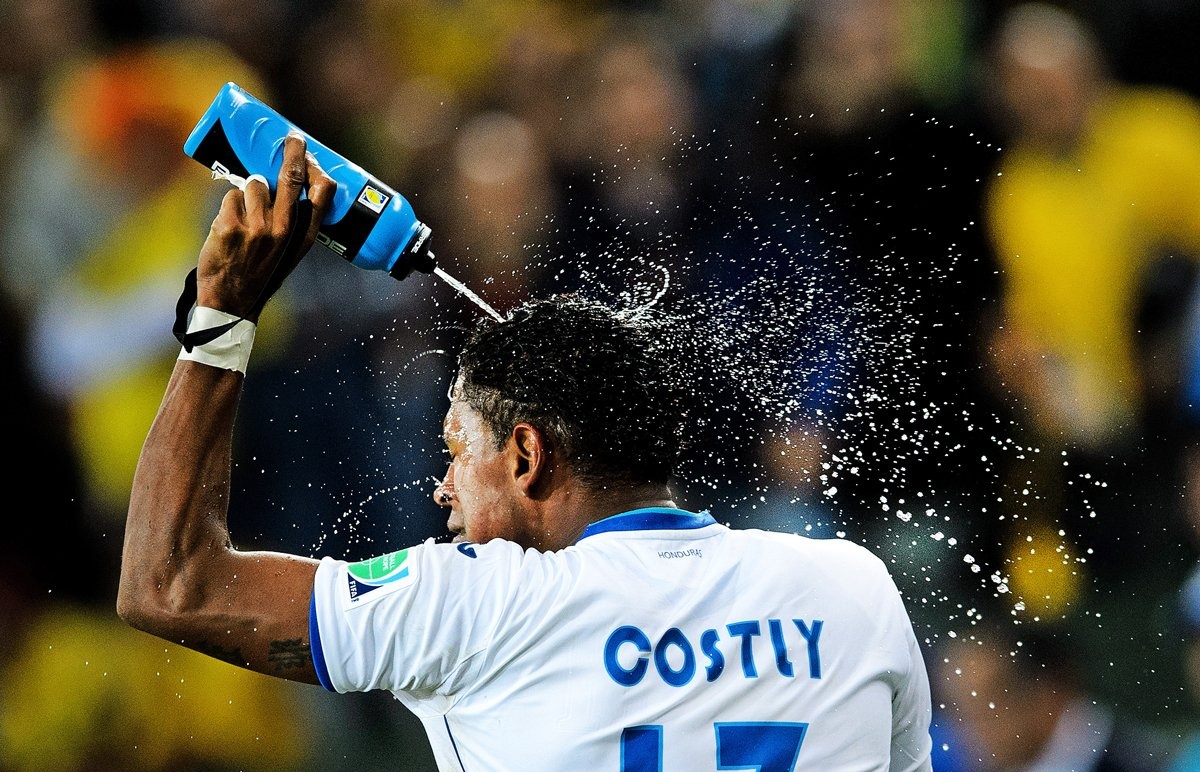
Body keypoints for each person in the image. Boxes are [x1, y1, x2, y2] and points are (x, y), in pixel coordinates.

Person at [117, 134, 934, 770]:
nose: (442, 489)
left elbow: (169, 585)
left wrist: (220, 324)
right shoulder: (852, 585)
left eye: (455, 450)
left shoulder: (478, 606)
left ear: (526, 457)